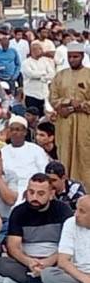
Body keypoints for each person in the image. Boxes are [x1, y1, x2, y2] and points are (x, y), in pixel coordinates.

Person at [0, 173, 72, 283]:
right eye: (31, 192)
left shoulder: (63, 210)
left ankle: (35, 280)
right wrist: (29, 262)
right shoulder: (18, 212)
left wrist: (47, 262)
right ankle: (41, 280)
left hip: (55, 261)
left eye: (40, 193)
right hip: (27, 262)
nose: (34, 198)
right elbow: (13, 247)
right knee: (2, 264)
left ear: (51, 194)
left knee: (71, 265)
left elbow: (68, 245)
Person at [49, 42, 90, 186]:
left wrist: (82, 105)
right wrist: (66, 103)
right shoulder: (60, 75)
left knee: (84, 156)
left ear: (82, 56)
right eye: (70, 57)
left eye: (75, 56)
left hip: (85, 124)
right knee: (64, 154)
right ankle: (65, 188)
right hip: (64, 123)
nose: (72, 59)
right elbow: (53, 98)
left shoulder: (88, 74)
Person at [40, 194, 90, 283]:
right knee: (47, 274)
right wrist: (85, 279)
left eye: (82, 211)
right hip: (77, 275)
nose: (76, 214)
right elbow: (62, 261)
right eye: (76, 209)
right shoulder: (70, 223)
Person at [0, 115, 50, 196]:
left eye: (17, 129)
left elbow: (44, 171)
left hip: (33, 190)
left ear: (25, 132)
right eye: (12, 130)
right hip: (9, 190)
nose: (14, 132)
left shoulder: (36, 150)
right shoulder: (2, 151)